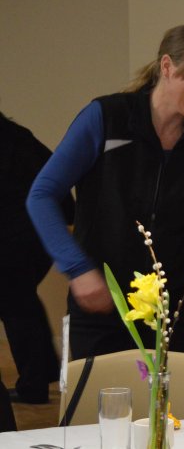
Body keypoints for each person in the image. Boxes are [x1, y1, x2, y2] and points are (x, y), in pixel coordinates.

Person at [26, 24, 184, 359]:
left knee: (161, 409)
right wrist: (78, 269)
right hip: (103, 303)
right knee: (97, 408)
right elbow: (42, 195)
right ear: (167, 67)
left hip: (174, 303)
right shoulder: (107, 118)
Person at [0, 112, 74, 404]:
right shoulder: (17, 136)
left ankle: (35, 383)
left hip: (19, 237)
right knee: (20, 305)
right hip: (34, 234)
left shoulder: (12, 140)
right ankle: (40, 377)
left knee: (17, 307)